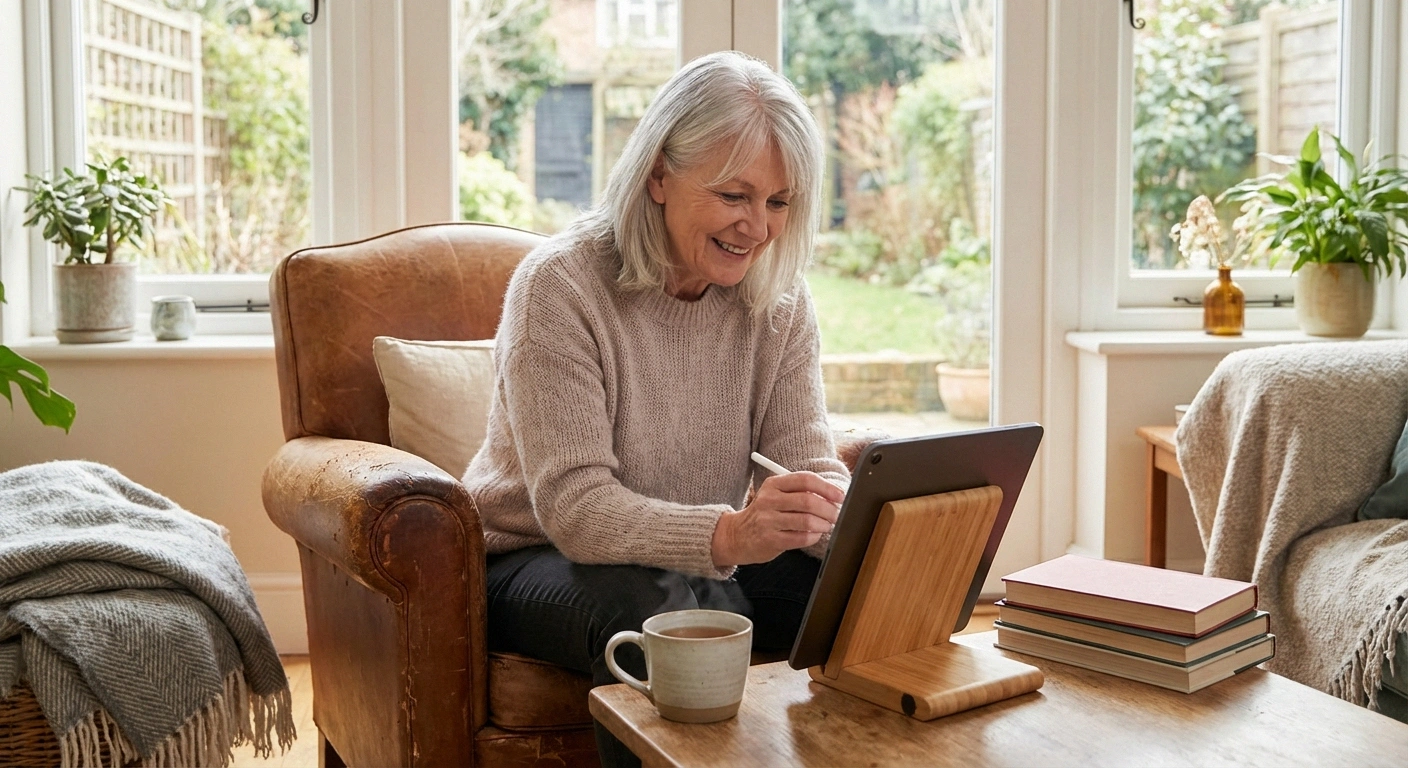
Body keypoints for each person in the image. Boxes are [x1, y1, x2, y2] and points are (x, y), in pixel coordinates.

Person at [462, 50, 846, 765]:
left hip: (703, 550)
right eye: (736, 195)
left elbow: (808, 461)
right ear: (659, 175)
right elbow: (575, 508)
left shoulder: (780, 300)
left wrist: (849, 523)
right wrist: (731, 537)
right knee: (686, 616)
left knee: (863, 594)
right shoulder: (561, 286)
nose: (757, 228)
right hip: (536, 555)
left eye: (779, 202)